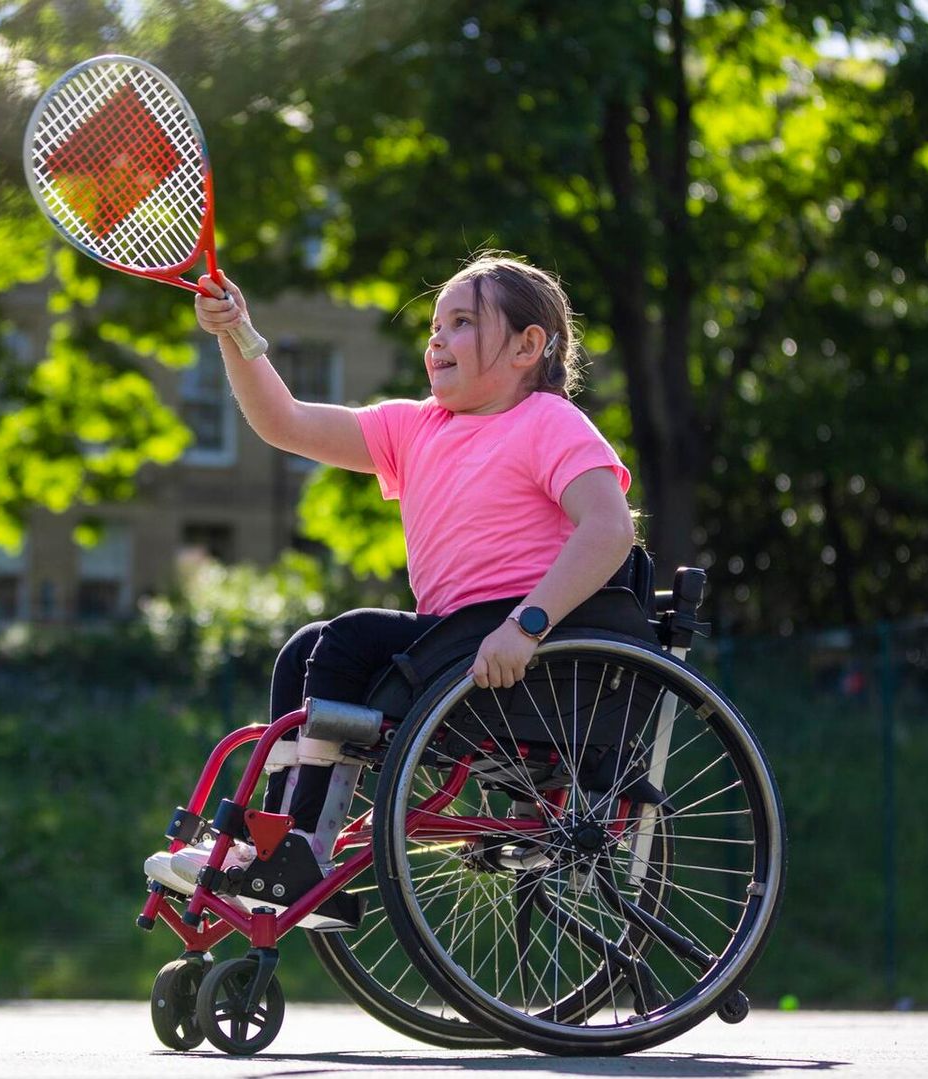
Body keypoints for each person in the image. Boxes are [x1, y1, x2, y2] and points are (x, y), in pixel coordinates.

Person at [143, 252, 637, 929]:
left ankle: (301, 850)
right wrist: (237, 335)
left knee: (349, 638)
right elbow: (284, 423)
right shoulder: (417, 427)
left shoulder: (548, 422)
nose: (436, 339)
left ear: (529, 346)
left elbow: (609, 529)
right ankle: (274, 843)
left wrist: (527, 627)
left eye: (462, 323)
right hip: (451, 651)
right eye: (435, 325)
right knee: (305, 649)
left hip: (525, 655)